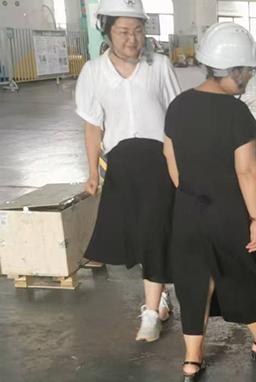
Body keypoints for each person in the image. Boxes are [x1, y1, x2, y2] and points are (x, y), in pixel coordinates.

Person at [164, 22, 256, 382]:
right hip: (228, 214)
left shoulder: (178, 104)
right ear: (234, 71)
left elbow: (169, 157)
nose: (250, 77)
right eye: (248, 70)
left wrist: (191, 194)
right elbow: (247, 171)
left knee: (193, 281)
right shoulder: (236, 113)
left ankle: (192, 361)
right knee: (243, 273)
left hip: (187, 211)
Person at [75, 0, 181, 342]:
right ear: (107, 32)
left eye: (137, 30)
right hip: (121, 165)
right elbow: (93, 126)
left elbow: (176, 118)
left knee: (153, 232)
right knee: (137, 234)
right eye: (123, 31)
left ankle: (150, 313)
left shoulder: (159, 66)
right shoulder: (93, 72)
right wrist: (93, 172)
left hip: (159, 163)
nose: (132, 39)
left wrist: (179, 167)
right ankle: (160, 297)